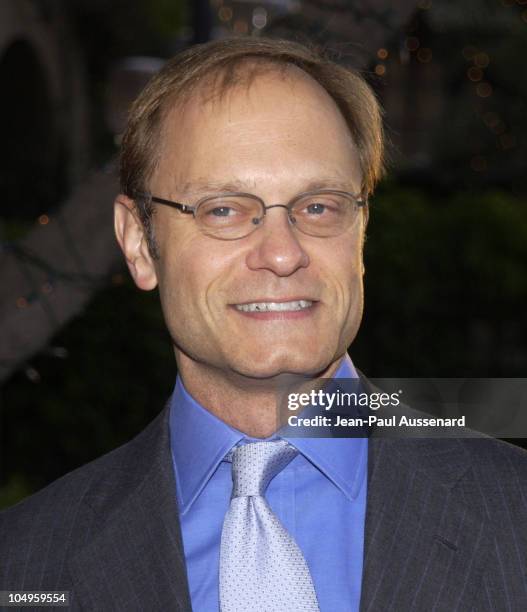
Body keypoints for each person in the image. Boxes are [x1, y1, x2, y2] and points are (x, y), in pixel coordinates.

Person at [1, 37, 526, 612]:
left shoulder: (513, 515)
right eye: (224, 209)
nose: (282, 254)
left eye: (319, 206)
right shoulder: (25, 564)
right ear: (139, 245)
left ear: (361, 229)